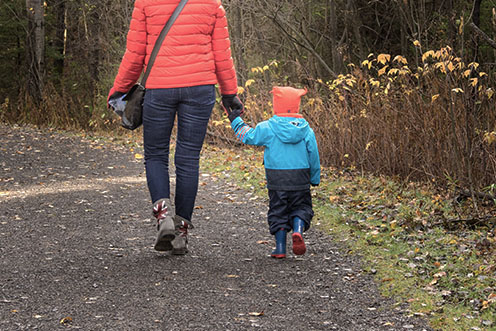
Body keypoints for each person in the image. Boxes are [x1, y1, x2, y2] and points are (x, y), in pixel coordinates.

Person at [107, 0, 243, 255]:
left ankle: (164, 217)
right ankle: (180, 234)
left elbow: (135, 53)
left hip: (160, 88)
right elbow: (222, 54)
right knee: (188, 158)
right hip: (200, 87)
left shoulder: (145, 2)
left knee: (156, 154)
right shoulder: (211, 3)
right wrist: (229, 93)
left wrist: (120, 89)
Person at [226, 86, 320, 258]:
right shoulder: (307, 130)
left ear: (277, 105)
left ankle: (280, 248)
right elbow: (313, 155)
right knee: (302, 207)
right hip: (300, 178)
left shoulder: (267, 127)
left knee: (278, 210)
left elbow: (249, 137)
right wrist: (314, 177)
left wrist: (235, 120)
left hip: (277, 178)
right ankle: (298, 229)